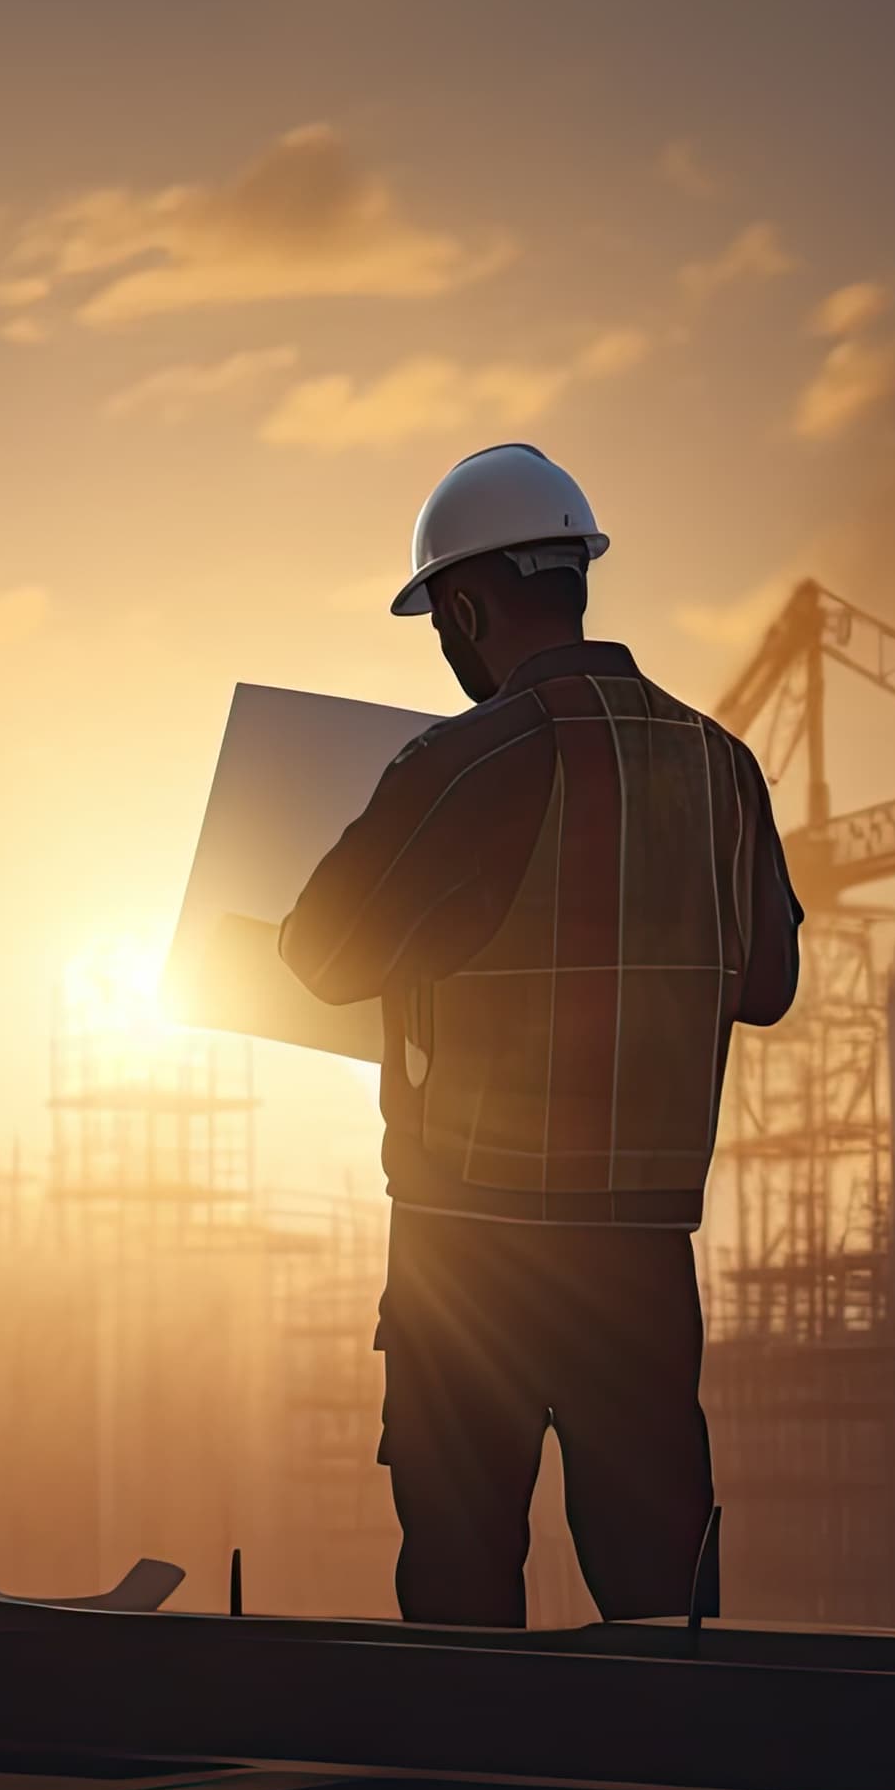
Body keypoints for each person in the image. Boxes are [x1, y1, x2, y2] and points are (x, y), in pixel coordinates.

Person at [279, 442, 801, 1625]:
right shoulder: (724, 768)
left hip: (474, 1254)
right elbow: (767, 982)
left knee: (464, 1590)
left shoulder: (472, 761)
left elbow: (317, 954)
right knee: (662, 1594)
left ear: (463, 605)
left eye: (442, 625)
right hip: (643, 1258)